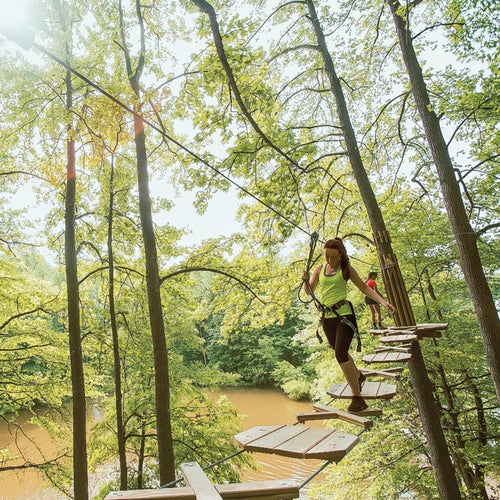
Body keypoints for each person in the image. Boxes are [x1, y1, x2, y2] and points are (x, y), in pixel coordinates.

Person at [302, 237, 396, 412]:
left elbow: (364, 288)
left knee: (340, 354)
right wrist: (306, 280)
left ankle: (357, 398)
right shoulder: (319, 269)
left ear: (340, 255)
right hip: (328, 318)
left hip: (344, 315)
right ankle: (358, 376)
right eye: (327, 256)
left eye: (333, 257)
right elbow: (309, 291)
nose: (330, 260)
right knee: (341, 352)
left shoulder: (346, 269)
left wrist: (383, 302)